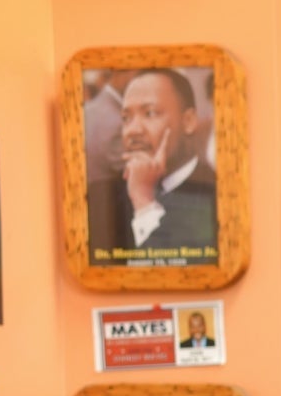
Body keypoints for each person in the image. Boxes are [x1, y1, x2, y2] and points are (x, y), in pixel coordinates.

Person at [85, 69, 217, 261]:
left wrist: (144, 202)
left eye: (150, 113)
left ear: (188, 121)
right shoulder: (101, 199)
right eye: (126, 118)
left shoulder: (217, 193)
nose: (133, 130)